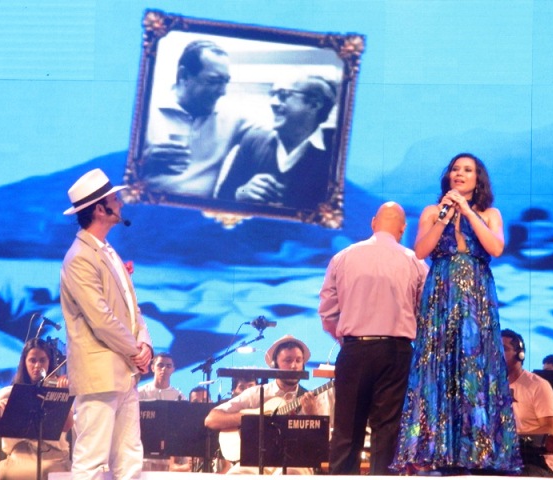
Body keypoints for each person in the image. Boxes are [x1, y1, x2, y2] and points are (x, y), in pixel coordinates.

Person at [392, 153, 522, 474]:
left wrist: (467, 211)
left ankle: (476, 450)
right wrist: (445, 217)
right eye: (455, 169)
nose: (459, 174)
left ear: (478, 179)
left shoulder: (490, 214)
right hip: (442, 293)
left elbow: (495, 248)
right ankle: (436, 450)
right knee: (439, 363)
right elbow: (421, 252)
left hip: (476, 295)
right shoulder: (432, 211)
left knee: (474, 365)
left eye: (467, 170)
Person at [318, 201, 428, 475]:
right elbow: (426, 311)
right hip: (396, 352)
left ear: (373, 222)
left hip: (355, 350)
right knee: (388, 432)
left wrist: (347, 341)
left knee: (346, 431)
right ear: (403, 229)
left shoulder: (343, 257)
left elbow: (328, 312)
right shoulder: (415, 261)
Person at [60, 168, 153, 480]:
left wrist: (145, 344)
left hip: (123, 372)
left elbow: (131, 308)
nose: (120, 203)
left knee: (130, 458)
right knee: (91, 460)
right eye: (115, 199)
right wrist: (135, 352)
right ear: (100, 209)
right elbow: (101, 319)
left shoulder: (107, 251)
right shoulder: (79, 257)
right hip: (99, 373)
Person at [204, 335, 330, 474]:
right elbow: (211, 419)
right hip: (255, 461)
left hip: (297, 462)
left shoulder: (313, 399)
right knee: (236, 474)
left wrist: (312, 416)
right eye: (288, 360)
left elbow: (323, 444)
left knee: (290, 473)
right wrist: (251, 419)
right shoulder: (256, 393)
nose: (294, 366)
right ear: (275, 364)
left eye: (298, 360)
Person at [142, 39, 252, 197]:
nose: (222, 92)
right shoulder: (144, 112)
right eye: (213, 81)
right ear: (184, 76)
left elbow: (274, 137)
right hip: (149, 207)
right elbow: (112, 172)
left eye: (225, 82)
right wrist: (142, 163)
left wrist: (244, 191)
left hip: (201, 211)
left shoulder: (232, 118)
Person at [216, 74, 337, 210]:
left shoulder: (337, 152)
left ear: (314, 104)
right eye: (272, 94)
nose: (272, 103)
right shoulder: (253, 140)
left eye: (283, 95)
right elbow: (224, 194)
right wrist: (242, 192)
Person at [0, 338, 72, 480]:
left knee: (47, 472)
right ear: (24, 363)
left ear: (49, 363)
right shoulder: (10, 393)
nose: (37, 365)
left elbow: (67, 425)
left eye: (42, 360)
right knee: (3, 474)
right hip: (19, 457)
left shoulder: (58, 390)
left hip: (53, 458)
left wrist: (63, 395)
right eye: (32, 360)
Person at [502, 329, 553, 477]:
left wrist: (513, 437)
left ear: (520, 354)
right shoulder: (490, 386)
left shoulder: (538, 386)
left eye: (504, 349)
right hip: (501, 460)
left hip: (535, 463)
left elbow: (552, 430)